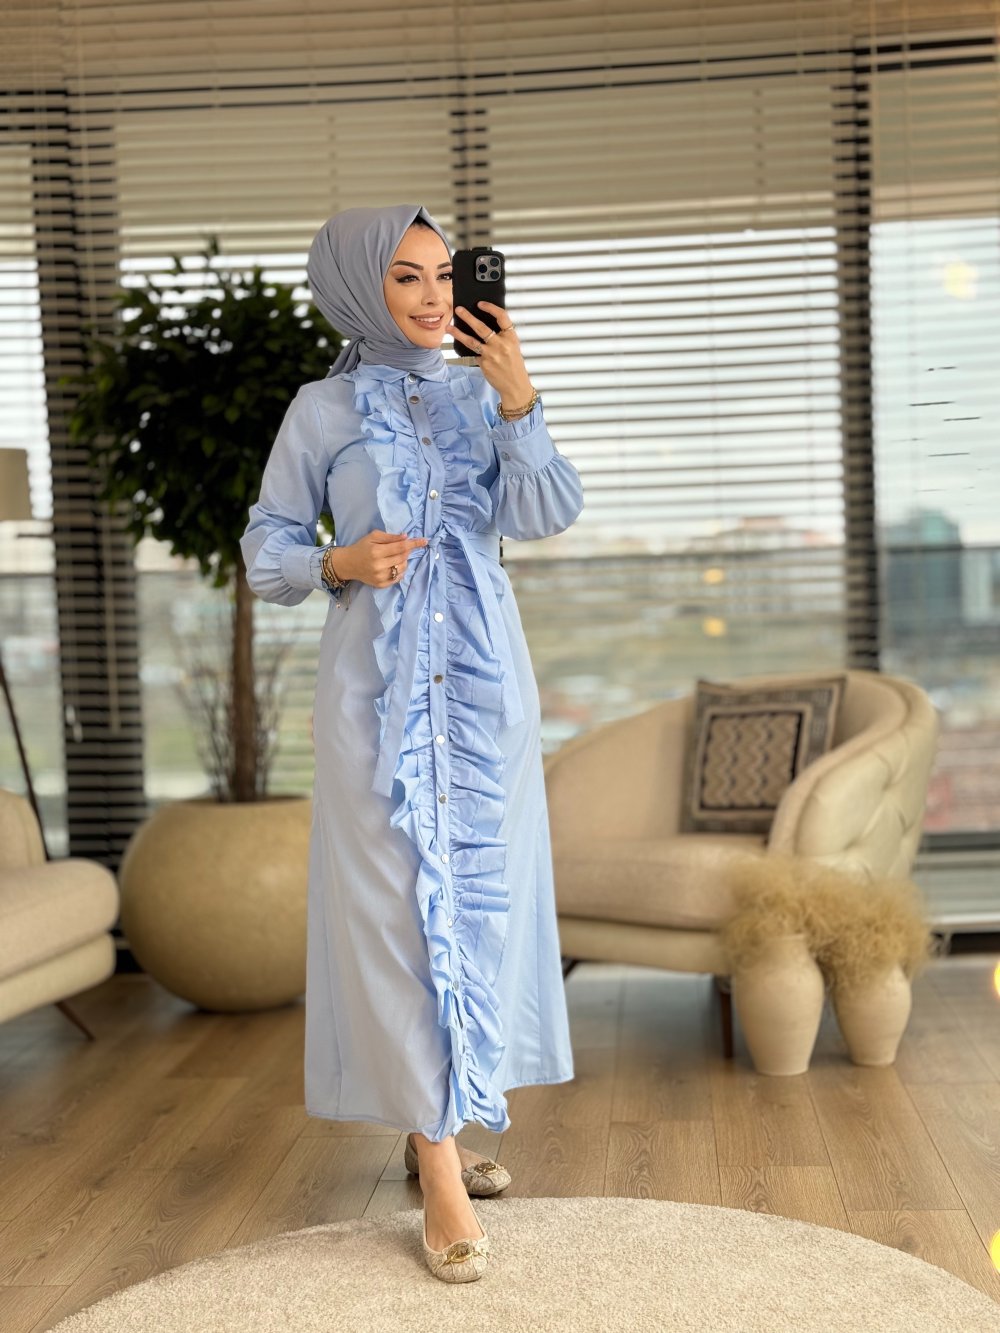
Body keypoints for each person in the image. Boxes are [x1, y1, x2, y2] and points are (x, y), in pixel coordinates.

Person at [240, 203, 584, 1282]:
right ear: (358, 286)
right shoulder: (321, 408)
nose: (436, 297)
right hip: (375, 702)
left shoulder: (486, 391)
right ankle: (437, 1159)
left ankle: (438, 1118)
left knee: (476, 912)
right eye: (407, 277)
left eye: (445, 274)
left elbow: (545, 513)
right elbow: (264, 545)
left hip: (482, 702)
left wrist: (519, 398)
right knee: (397, 917)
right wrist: (337, 563)